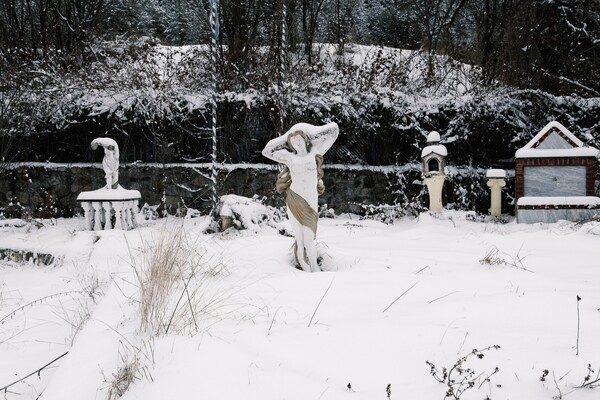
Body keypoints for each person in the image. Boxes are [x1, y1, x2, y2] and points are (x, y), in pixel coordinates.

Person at [262, 122, 339, 272]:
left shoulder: (315, 152)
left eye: (300, 139)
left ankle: (314, 268)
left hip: (310, 203)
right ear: (290, 145)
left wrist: (311, 133)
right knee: (300, 240)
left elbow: (333, 131)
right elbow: (267, 151)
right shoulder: (290, 158)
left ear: (305, 139)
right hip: (294, 200)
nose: (297, 143)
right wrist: (286, 137)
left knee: (309, 241)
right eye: (294, 142)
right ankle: (304, 267)